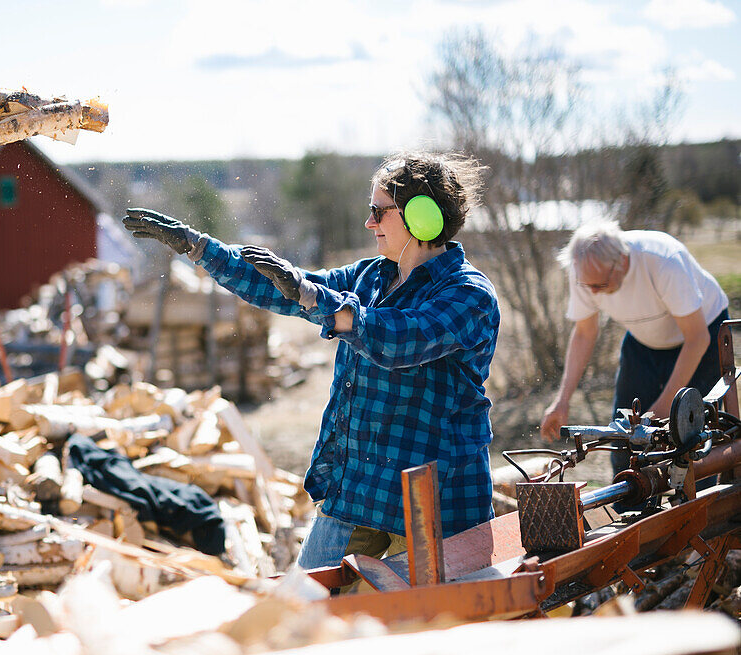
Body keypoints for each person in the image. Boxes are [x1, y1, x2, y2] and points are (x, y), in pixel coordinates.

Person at [124, 151, 499, 570]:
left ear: (421, 218)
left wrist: (322, 302)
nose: (369, 223)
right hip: (361, 489)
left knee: (428, 628)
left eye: (379, 212)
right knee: (302, 607)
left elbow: (399, 338)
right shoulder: (371, 276)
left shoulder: (469, 295)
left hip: (436, 503)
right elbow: (286, 286)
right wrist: (200, 248)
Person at [540, 222, 729, 476]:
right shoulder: (586, 272)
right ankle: (631, 509)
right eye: (589, 286)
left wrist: (663, 410)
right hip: (644, 340)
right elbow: (585, 333)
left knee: (691, 438)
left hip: (701, 335)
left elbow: (697, 338)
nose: (593, 292)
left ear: (621, 261)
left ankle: (696, 510)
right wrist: (562, 401)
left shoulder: (663, 261)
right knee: (624, 435)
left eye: (600, 285)